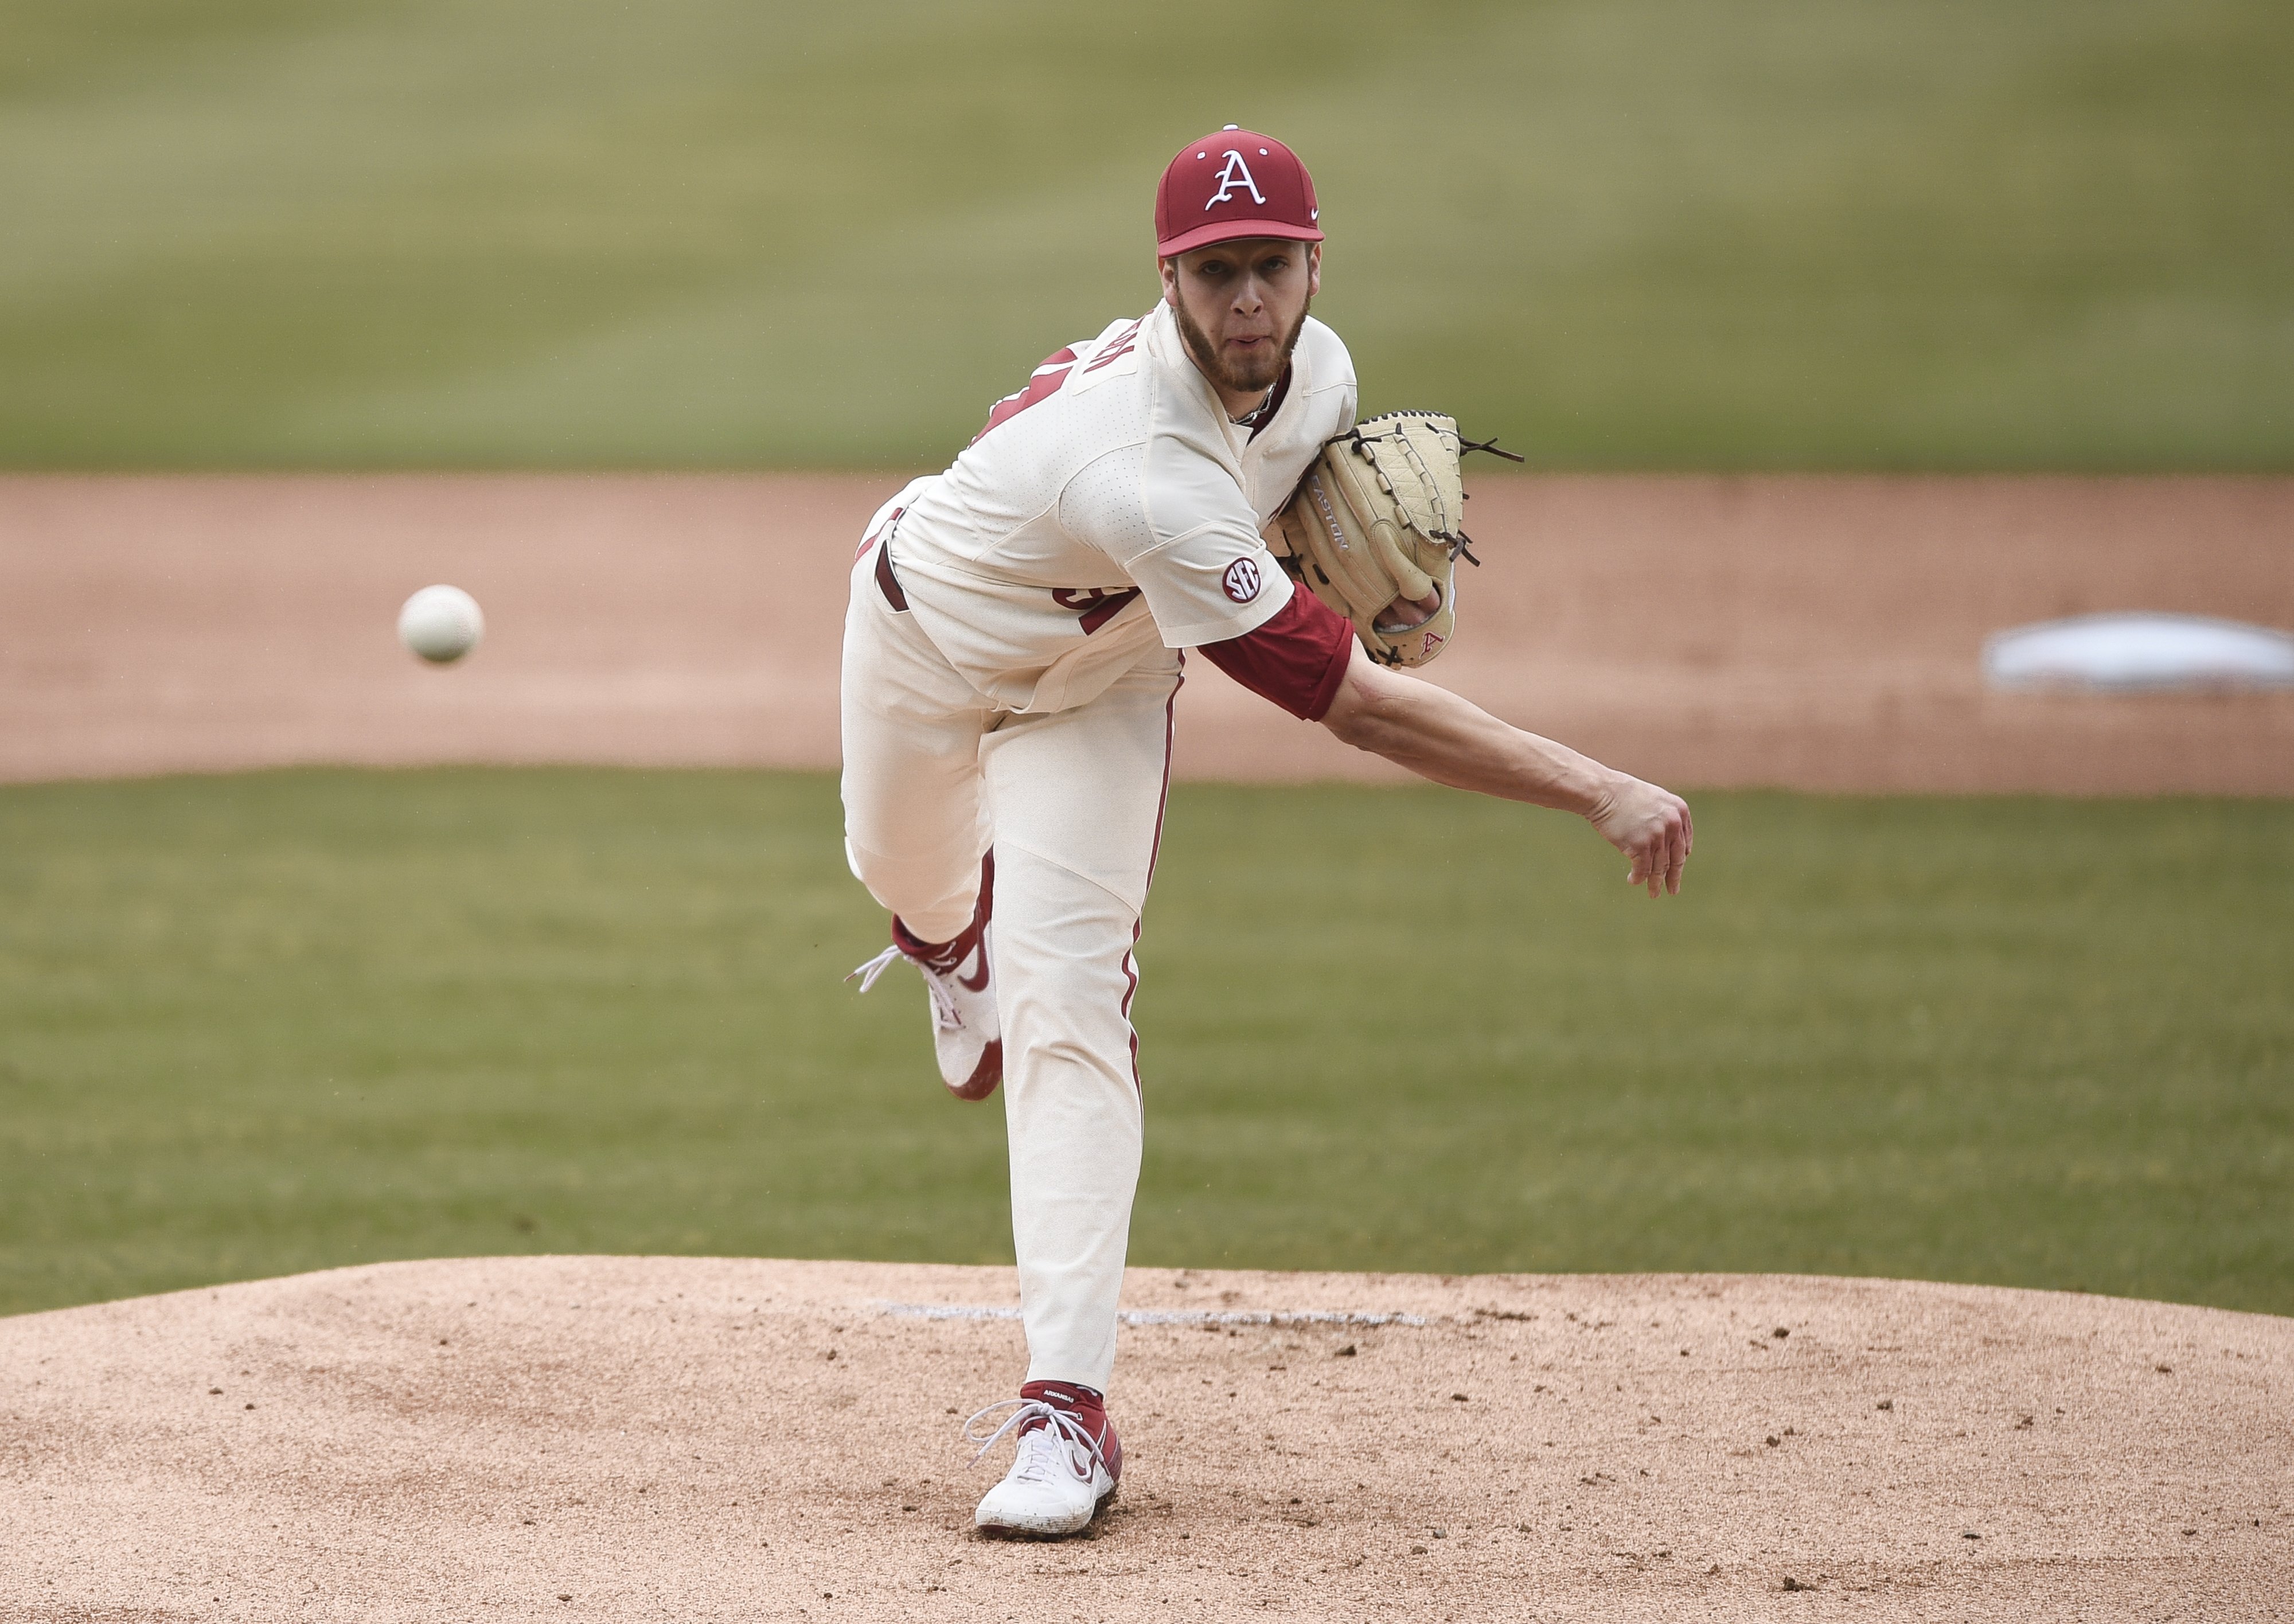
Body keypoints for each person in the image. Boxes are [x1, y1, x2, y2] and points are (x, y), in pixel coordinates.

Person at [841, 127, 1691, 1539]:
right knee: (900, 873)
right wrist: (1600, 788)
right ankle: (946, 942)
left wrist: (1359, 573)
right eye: (1216, 272)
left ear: (1312, 267)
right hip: (923, 643)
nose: (1248, 303)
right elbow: (1354, 711)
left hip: (1100, 692)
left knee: (1073, 1008)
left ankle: (1066, 1414)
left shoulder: (1328, 374)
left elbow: (1302, 510)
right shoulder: (1137, 465)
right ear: (1168, 281)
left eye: (1271, 270)